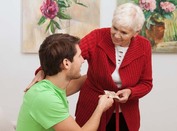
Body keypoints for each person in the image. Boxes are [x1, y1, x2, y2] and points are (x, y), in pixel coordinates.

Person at [26, 2, 153, 131]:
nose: (116, 35)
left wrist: (131, 92)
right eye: (114, 28)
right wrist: (42, 70)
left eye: (124, 32)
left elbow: (146, 83)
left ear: (136, 33)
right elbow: (67, 55)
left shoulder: (144, 46)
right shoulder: (97, 37)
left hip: (126, 115)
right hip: (91, 108)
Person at [16, 34, 114, 131]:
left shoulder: (49, 88)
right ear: (66, 63)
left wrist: (99, 71)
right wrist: (101, 107)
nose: (83, 60)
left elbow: (81, 82)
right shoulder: (45, 97)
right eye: (79, 56)